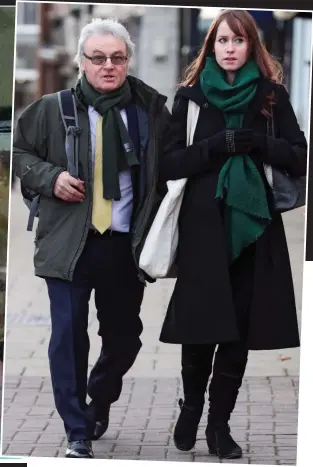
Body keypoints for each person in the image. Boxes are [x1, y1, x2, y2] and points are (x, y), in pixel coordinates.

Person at [12, 18, 170, 459]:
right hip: (68, 243)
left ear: (127, 61)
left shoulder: (149, 110)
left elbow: (173, 165)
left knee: (125, 338)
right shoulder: (51, 108)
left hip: (124, 244)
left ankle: (98, 401)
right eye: (98, 58)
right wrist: (50, 177)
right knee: (68, 337)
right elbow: (21, 153)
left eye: (117, 58)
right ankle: (76, 430)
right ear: (82, 62)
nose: (108, 66)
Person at [158, 9, 307, 460]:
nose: (229, 48)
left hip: (255, 230)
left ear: (251, 47)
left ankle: (218, 426)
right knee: (201, 327)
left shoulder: (272, 97)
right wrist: (211, 148)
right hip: (202, 230)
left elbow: (299, 156)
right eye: (222, 40)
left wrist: (260, 143)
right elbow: (167, 165)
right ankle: (191, 407)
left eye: (238, 41)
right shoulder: (190, 97)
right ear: (210, 45)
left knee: (238, 333)